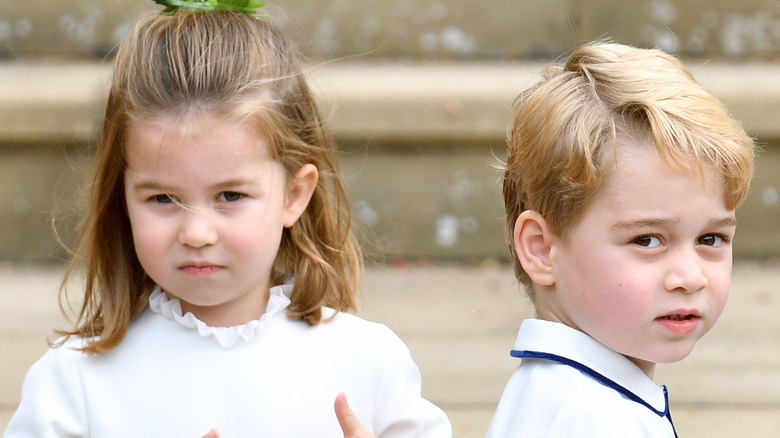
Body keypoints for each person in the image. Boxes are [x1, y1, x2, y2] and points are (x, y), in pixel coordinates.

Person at [4, 3, 451, 437]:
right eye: (162, 198)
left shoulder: (368, 362)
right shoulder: (74, 383)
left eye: (230, 196)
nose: (196, 233)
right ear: (122, 198)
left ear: (294, 195)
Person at [486, 41, 756, 437]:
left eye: (710, 238)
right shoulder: (595, 419)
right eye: (648, 240)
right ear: (541, 249)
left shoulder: (563, 393)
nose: (690, 277)